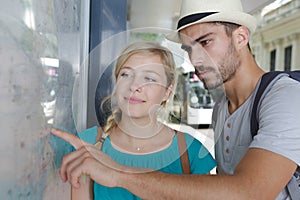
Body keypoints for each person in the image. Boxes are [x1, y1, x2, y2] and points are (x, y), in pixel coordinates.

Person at [52, 0, 300, 199]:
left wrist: (118, 173)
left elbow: (249, 192)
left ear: (241, 37)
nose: (196, 59)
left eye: (206, 42)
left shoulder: (286, 98)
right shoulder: (222, 109)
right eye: (189, 49)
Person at [51, 41, 216, 199]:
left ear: (167, 91)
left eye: (149, 78)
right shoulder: (87, 144)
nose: (134, 86)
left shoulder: (191, 151)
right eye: (126, 74)